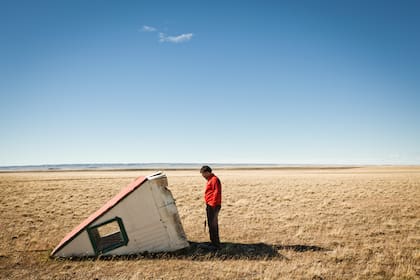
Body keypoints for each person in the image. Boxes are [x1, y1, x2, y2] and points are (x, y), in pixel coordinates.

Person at [200, 165, 222, 249]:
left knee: (213, 225)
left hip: (213, 205)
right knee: (210, 224)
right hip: (210, 204)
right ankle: (213, 242)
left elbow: (216, 192)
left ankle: (216, 245)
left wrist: (212, 205)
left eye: (203, 174)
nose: (203, 176)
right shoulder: (210, 179)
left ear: (207, 172)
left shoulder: (214, 179)